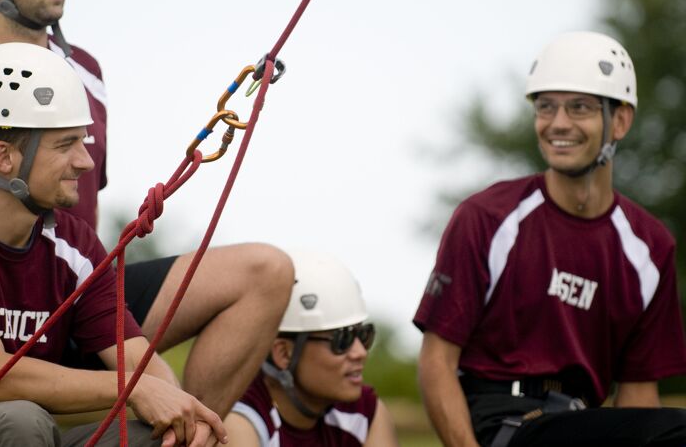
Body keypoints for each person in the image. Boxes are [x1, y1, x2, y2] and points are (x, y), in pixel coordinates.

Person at [0, 0, 294, 420]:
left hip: (75, 288)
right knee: (20, 419)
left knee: (266, 272)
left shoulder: (86, 74)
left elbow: (81, 221)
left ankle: (185, 425)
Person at [0, 43, 231, 446]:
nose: (85, 161)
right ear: (4, 157)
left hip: (30, 434)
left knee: (169, 438)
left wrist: (176, 407)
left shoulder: (76, 244)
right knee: (19, 421)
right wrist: (131, 388)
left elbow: (144, 366)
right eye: (66, 145)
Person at [414, 31, 686, 447]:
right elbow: (436, 361)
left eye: (579, 107)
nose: (559, 123)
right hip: (503, 425)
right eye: (546, 107)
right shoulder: (486, 217)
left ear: (620, 120)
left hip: (585, 427)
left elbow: (637, 396)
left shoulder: (650, 247)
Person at [223, 251, 399, 446]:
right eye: (342, 339)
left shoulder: (364, 412)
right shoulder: (240, 420)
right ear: (283, 353)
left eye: (363, 335)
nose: (361, 353)